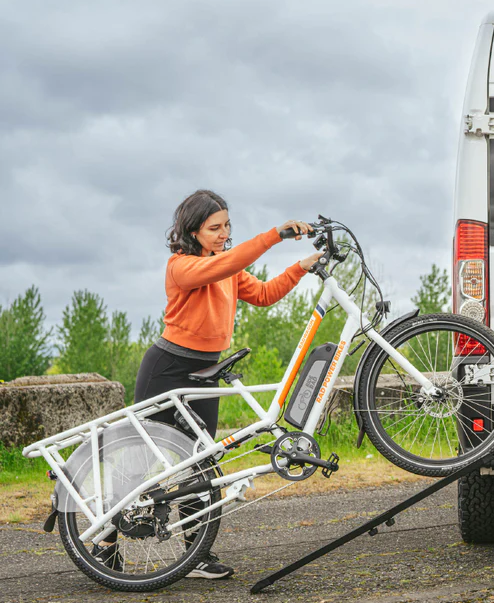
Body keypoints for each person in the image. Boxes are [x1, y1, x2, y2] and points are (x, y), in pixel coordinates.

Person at [92, 189, 322, 579]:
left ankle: (195, 554)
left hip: (206, 372)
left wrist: (302, 266)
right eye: (214, 227)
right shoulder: (180, 266)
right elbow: (228, 264)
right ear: (193, 231)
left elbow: (264, 294)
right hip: (167, 367)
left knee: (200, 461)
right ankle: (105, 541)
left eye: (227, 225)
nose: (222, 233)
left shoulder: (224, 264)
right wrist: (273, 236)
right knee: (143, 457)